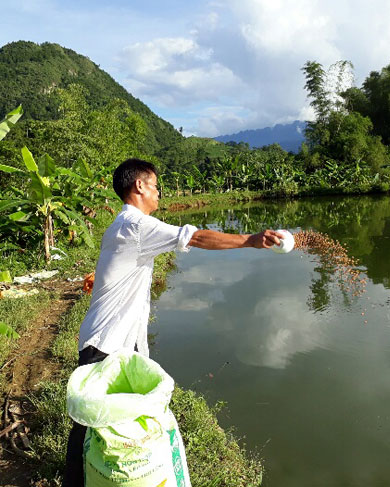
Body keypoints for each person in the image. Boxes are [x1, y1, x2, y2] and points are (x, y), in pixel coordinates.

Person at [62, 158, 283, 487]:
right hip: (106, 344)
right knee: (89, 427)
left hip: (118, 342)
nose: (158, 193)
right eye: (154, 186)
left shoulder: (127, 224)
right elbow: (194, 237)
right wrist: (250, 240)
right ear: (139, 186)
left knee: (108, 425)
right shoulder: (135, 224)